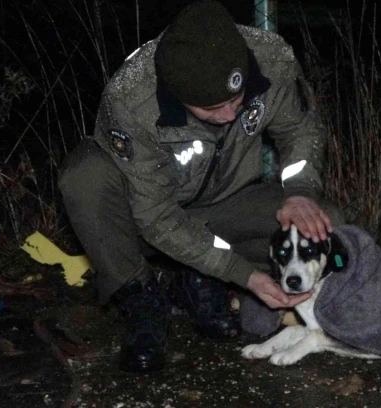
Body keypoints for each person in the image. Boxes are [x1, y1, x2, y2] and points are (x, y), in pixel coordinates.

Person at [58, 0, 341, 372]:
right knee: (84, 176)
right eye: (212, 108)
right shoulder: (130, 98)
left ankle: (194, 276)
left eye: (237, 100)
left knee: (331, 224)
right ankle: (140, 296)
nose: (229, 116)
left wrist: (300, 190)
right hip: (145, 216)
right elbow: (157, 216)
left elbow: (299, 130)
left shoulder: (272, 59)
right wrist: (244, 274)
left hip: (229, 201)